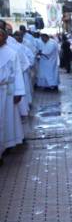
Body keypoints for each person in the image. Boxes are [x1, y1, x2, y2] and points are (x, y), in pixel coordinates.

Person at [0, 22, 26, 158]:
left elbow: (17, 73)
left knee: (7, 119)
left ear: (4, 37)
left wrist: (18, 92)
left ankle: (7, 145)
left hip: (6, 91)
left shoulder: (11, 53)